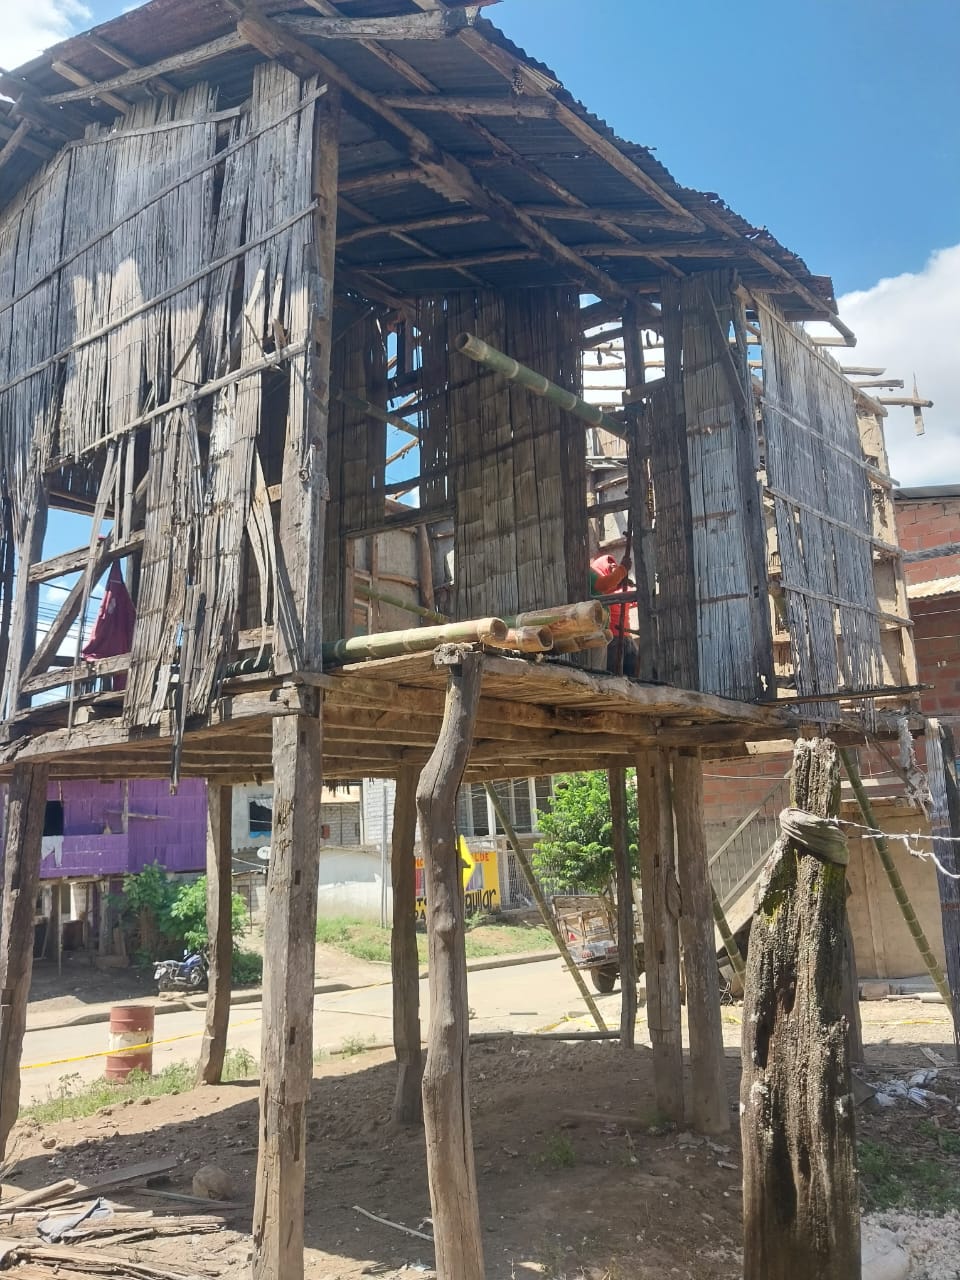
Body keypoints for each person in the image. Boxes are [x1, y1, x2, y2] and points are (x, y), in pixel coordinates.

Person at [589, 551, 638, 677]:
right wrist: (623, 569)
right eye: (610, 567)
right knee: (607, 675)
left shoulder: (603, 583)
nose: (613, 569)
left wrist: (620, 578)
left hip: (613, 635)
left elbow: (607, 587)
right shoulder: (590, 574)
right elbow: (605, 585)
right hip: (607, 636)